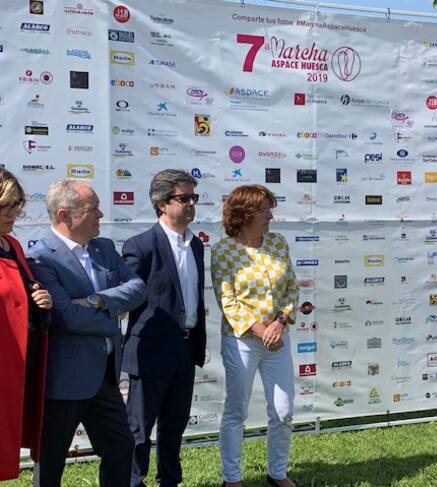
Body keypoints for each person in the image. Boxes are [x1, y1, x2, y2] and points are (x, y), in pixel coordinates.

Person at [28, 180, 146, 487]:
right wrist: (112, 316)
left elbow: (137, 288)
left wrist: (98, 301)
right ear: (64, 215)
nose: (100, 215)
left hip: (104, 376)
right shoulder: (41, 257)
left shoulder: (103, 247)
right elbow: (65, 316)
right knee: (50, 463)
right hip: (64, 380)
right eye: (92, 209)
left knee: (121, 447)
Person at [121, 169, 206, 487]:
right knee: (139, 429)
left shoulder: (195, 245)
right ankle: (132, 481)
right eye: (184, 198)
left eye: (194, 197)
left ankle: (170, 481)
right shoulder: (141, 245)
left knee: (175, 426)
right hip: (151, 351)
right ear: (161, 203)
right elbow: (127, 295)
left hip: (185, 348)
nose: (191, 204)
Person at [211, 184, 300, 487]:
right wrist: (263, 331)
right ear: (244, 213)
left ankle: (277, 474)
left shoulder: (278, 243)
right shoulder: (223, 250)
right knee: (237, 410)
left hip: (278, 339)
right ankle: (232, 479)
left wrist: (280, 322)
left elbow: (292, 288)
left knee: (284, 411)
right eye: (264, 210)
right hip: (241, 343)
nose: (270, 216)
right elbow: (228, 301)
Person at [0, 168, 51, 480]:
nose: (12, 213)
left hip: (20, 361)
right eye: (5, 205)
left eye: (16, 205)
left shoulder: (12, 245)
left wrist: (41, 298)